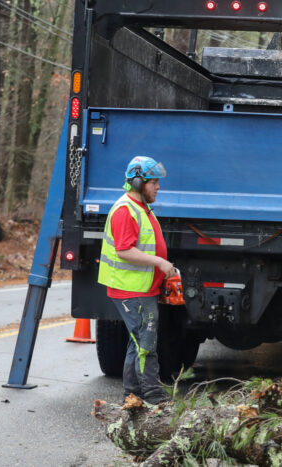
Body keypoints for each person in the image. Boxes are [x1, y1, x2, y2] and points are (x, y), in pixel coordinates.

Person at [98, 155, 177, 405]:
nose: (158, 187)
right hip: (131, 290)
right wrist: (159, 263)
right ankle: (152, 394)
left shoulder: (141, 207)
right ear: (137, 183)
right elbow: (124, 250)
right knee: (145, 343)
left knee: (138, 342)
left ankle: (132, 395)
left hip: (141, 288)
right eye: (154, 182)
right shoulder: (125, 210)